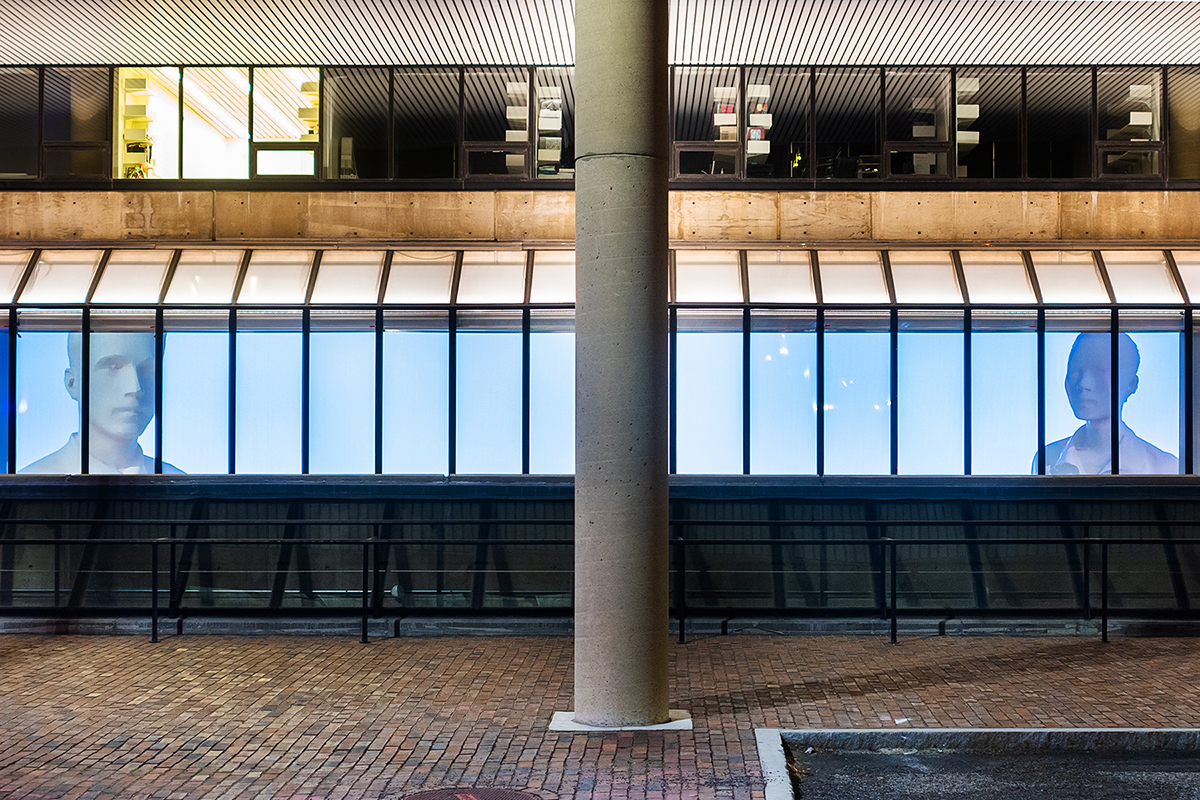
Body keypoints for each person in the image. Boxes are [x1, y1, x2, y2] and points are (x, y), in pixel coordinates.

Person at [20, 332, 182, 474]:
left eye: (147, 369)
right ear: (72, 383)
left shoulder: (182, 486)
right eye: (113, 367)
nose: (135, 388)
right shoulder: (26, 489)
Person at [1035, 332, 1178, 475]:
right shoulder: (1046, 459)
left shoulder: (1165, 467)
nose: (1084, 383)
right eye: (1076, 370)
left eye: (1099, 372)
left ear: (1131, 384)